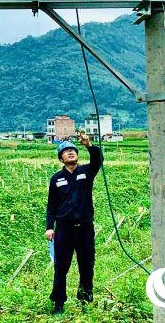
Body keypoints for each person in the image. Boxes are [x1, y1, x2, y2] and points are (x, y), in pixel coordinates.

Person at [45, 130, 103, 315]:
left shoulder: (86, 172)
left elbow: (98, 160)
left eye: (73, 150)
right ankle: (58, 303)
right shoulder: (56, 179)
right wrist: (49, 227)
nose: (71, 152)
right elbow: (51, 205)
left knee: (87, 265)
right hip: (64, 230)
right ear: (61, 159)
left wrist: (89, 145)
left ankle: (85, 299)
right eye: (66, 151)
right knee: (61, 267)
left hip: (85, 229)